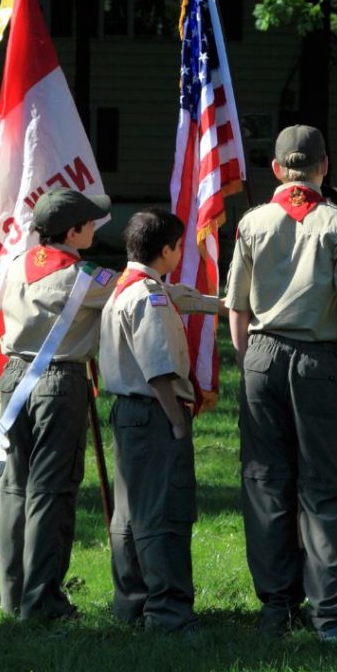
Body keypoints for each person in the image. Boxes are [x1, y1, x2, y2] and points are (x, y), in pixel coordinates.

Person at [225, 125, 337, 642]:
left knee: (266, 483)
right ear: (324, 166)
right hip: (318, 359)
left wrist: (249, 361)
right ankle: (330, 609)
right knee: (325, 485)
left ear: (275, 170)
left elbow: (237, 306)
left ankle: (277, 606)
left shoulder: (252, 222)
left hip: (262, 356)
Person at [99, 209, 222, 634]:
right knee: (163, 512)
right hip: (155, 411)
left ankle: (132, 603)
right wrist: (178, 422)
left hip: (128, 412)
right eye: (179, 246)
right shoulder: (148, 297)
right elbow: (158, 371)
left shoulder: (127, 287)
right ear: (166, 250)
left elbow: (184, 297)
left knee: (130, 513)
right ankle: (168, 612)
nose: (181, 253)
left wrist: (222, 304)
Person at [0, 187, 116, 621]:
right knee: (52, 490)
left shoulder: (14, 267)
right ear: (73, 231)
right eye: (90, 223)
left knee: (14, 487)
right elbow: (134, 292)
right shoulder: (86, 277)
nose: (95, 228)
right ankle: (43, 601)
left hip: (13, 379)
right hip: (58, 384)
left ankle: (12, 596)